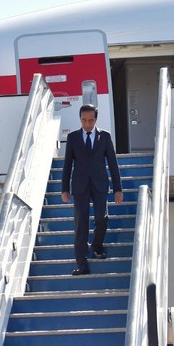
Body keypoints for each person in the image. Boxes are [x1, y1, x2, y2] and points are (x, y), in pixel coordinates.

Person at [61, 104, 123, 276]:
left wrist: (118, 189)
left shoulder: (105, 137)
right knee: (81, 224)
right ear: (80, 119)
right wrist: (64, 188)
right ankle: (82, 264)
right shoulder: (73, 138)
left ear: (96, 119)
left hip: (100, 184)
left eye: (91, 120)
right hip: (80, 186)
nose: (87, 124)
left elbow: (112, 163)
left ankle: (97, 246)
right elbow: (67, 164)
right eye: (84, 120)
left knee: (102, 218)